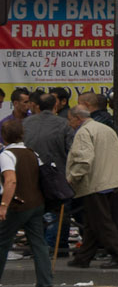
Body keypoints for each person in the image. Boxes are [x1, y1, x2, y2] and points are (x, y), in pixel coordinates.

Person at [64, 93, 118, 269]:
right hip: (113, 180)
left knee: (101, 222)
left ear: (78, 119)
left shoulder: (83, 132)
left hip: (96, 183)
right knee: (93, 223)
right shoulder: (104, 128)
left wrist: (72, 178)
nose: (69, 124)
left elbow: (84, 160)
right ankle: (83, 257)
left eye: (70, 120)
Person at [0, 119, 52, 287]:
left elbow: (11, 181)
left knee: (2, 243)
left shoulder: (7, 155)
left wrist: (3, 206)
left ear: (3, 136)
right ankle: (45, 282)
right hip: (36, 204)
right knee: (39, 245)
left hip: (16, 205)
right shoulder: (32, 153)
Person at [24, 93, 70, 257]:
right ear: (55, 106)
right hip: (57, 174)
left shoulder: (27, 123)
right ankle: (57, 247)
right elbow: (71, 149)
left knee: (36, 212)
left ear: (36, 106)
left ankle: (37, 246)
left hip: (32, 174)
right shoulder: (63, 124)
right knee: (59, 212)